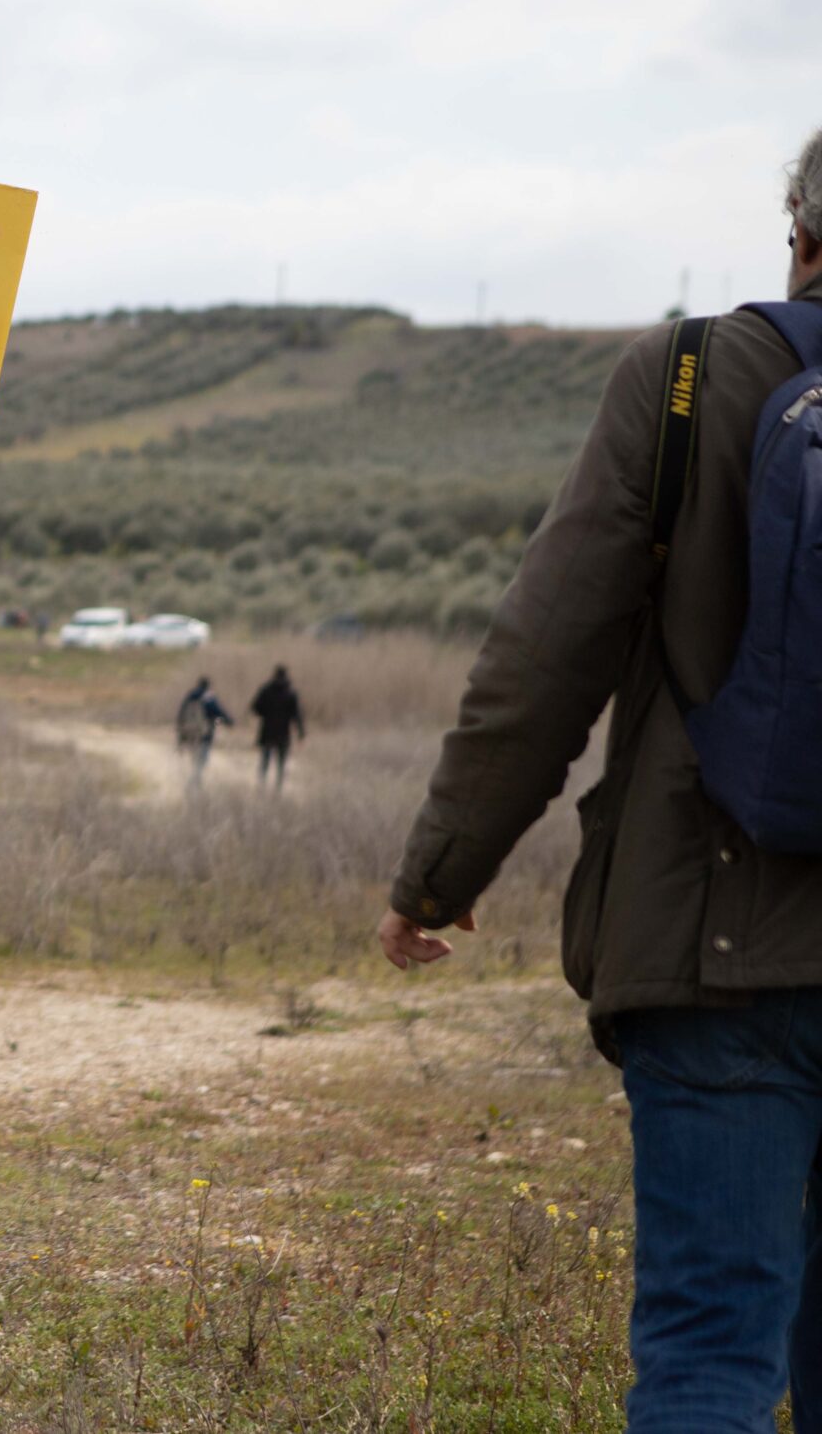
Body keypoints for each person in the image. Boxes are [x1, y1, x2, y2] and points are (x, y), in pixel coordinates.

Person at [378, 130, 822, 1429]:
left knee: (711, 1351)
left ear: (799, 230)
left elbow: (543, 660)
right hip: (720, 953)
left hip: (716, 947)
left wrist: (438, 875)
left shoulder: (688, 379)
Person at [249, 665, 305, 790]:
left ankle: (261, 785)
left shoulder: (266, 690)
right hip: (283, 733)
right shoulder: (291, 693)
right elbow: (297, 715)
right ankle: (278, 788)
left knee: (265, 761)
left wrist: (265, 713)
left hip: (267, 731)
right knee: (281, 763)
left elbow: (255, 708)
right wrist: (301, 733)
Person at [175, 676, 231, 789]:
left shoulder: (190, 696)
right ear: (208, 686)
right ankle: (195, 781)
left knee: (194, 758)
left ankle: (193, 781)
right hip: (205, 734)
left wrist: (181, 735)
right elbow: (218, 712)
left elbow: (181, 714)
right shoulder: (208, 697)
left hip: (190, 733)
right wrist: (229, 721)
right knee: (202, 760)